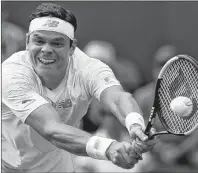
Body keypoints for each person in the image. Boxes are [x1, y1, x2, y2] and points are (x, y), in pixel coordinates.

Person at [2, 3, 156, 172]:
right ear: (27, 41)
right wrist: (108, 148)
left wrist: (135, 125)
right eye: (38, 40)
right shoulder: (11, 74)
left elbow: (118, 98)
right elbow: (51, 129)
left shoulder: (88, 68)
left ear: (72, 47)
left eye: (57, 43)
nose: (46, 49)